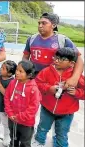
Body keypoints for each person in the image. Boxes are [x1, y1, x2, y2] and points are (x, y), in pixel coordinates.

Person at [22, 12, 84, 144]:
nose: (40, 25)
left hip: (55, 83)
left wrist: (74, 77)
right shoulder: (31, 39)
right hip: (36, 81)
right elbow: (25, 58)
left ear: (53, 25)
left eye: (44, 23)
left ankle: (58, 137)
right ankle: (35, 135)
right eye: (39, 23)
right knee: (34, 109)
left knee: (55, 111)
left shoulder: (63, 40)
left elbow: (79, 59)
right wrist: (23, 75)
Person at [32, 47, 84, 147]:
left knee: (62, 133)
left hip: (67, 113)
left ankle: (60, 144)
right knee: (42, 127)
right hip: (47, 109)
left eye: (62, 59)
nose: (57, 60)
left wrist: (77, 92)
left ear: (71, 63)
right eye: (56, 57)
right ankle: (39, 141)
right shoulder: (47, 71)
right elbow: (37, 83)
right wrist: (49, 88)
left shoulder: (76, 76)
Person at [4, 60, 41, 147]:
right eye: (17, 70)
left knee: (25, 143)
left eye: (20, 71)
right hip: (12, 119)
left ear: (29, 75)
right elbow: (7, 97)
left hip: (26, 123)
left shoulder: (33, 89)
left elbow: (33, 108)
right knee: (13, 139)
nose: (16, 73)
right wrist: (10, 113)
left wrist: (19, 117)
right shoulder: (13, 83)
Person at [0, 60, 17, 146]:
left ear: (10, 73)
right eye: (1, 67)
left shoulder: (12, 82)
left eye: (4, 68)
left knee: (6, 124)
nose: (1, 69)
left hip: (5, 108)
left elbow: (7, 94)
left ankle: (6, 137)